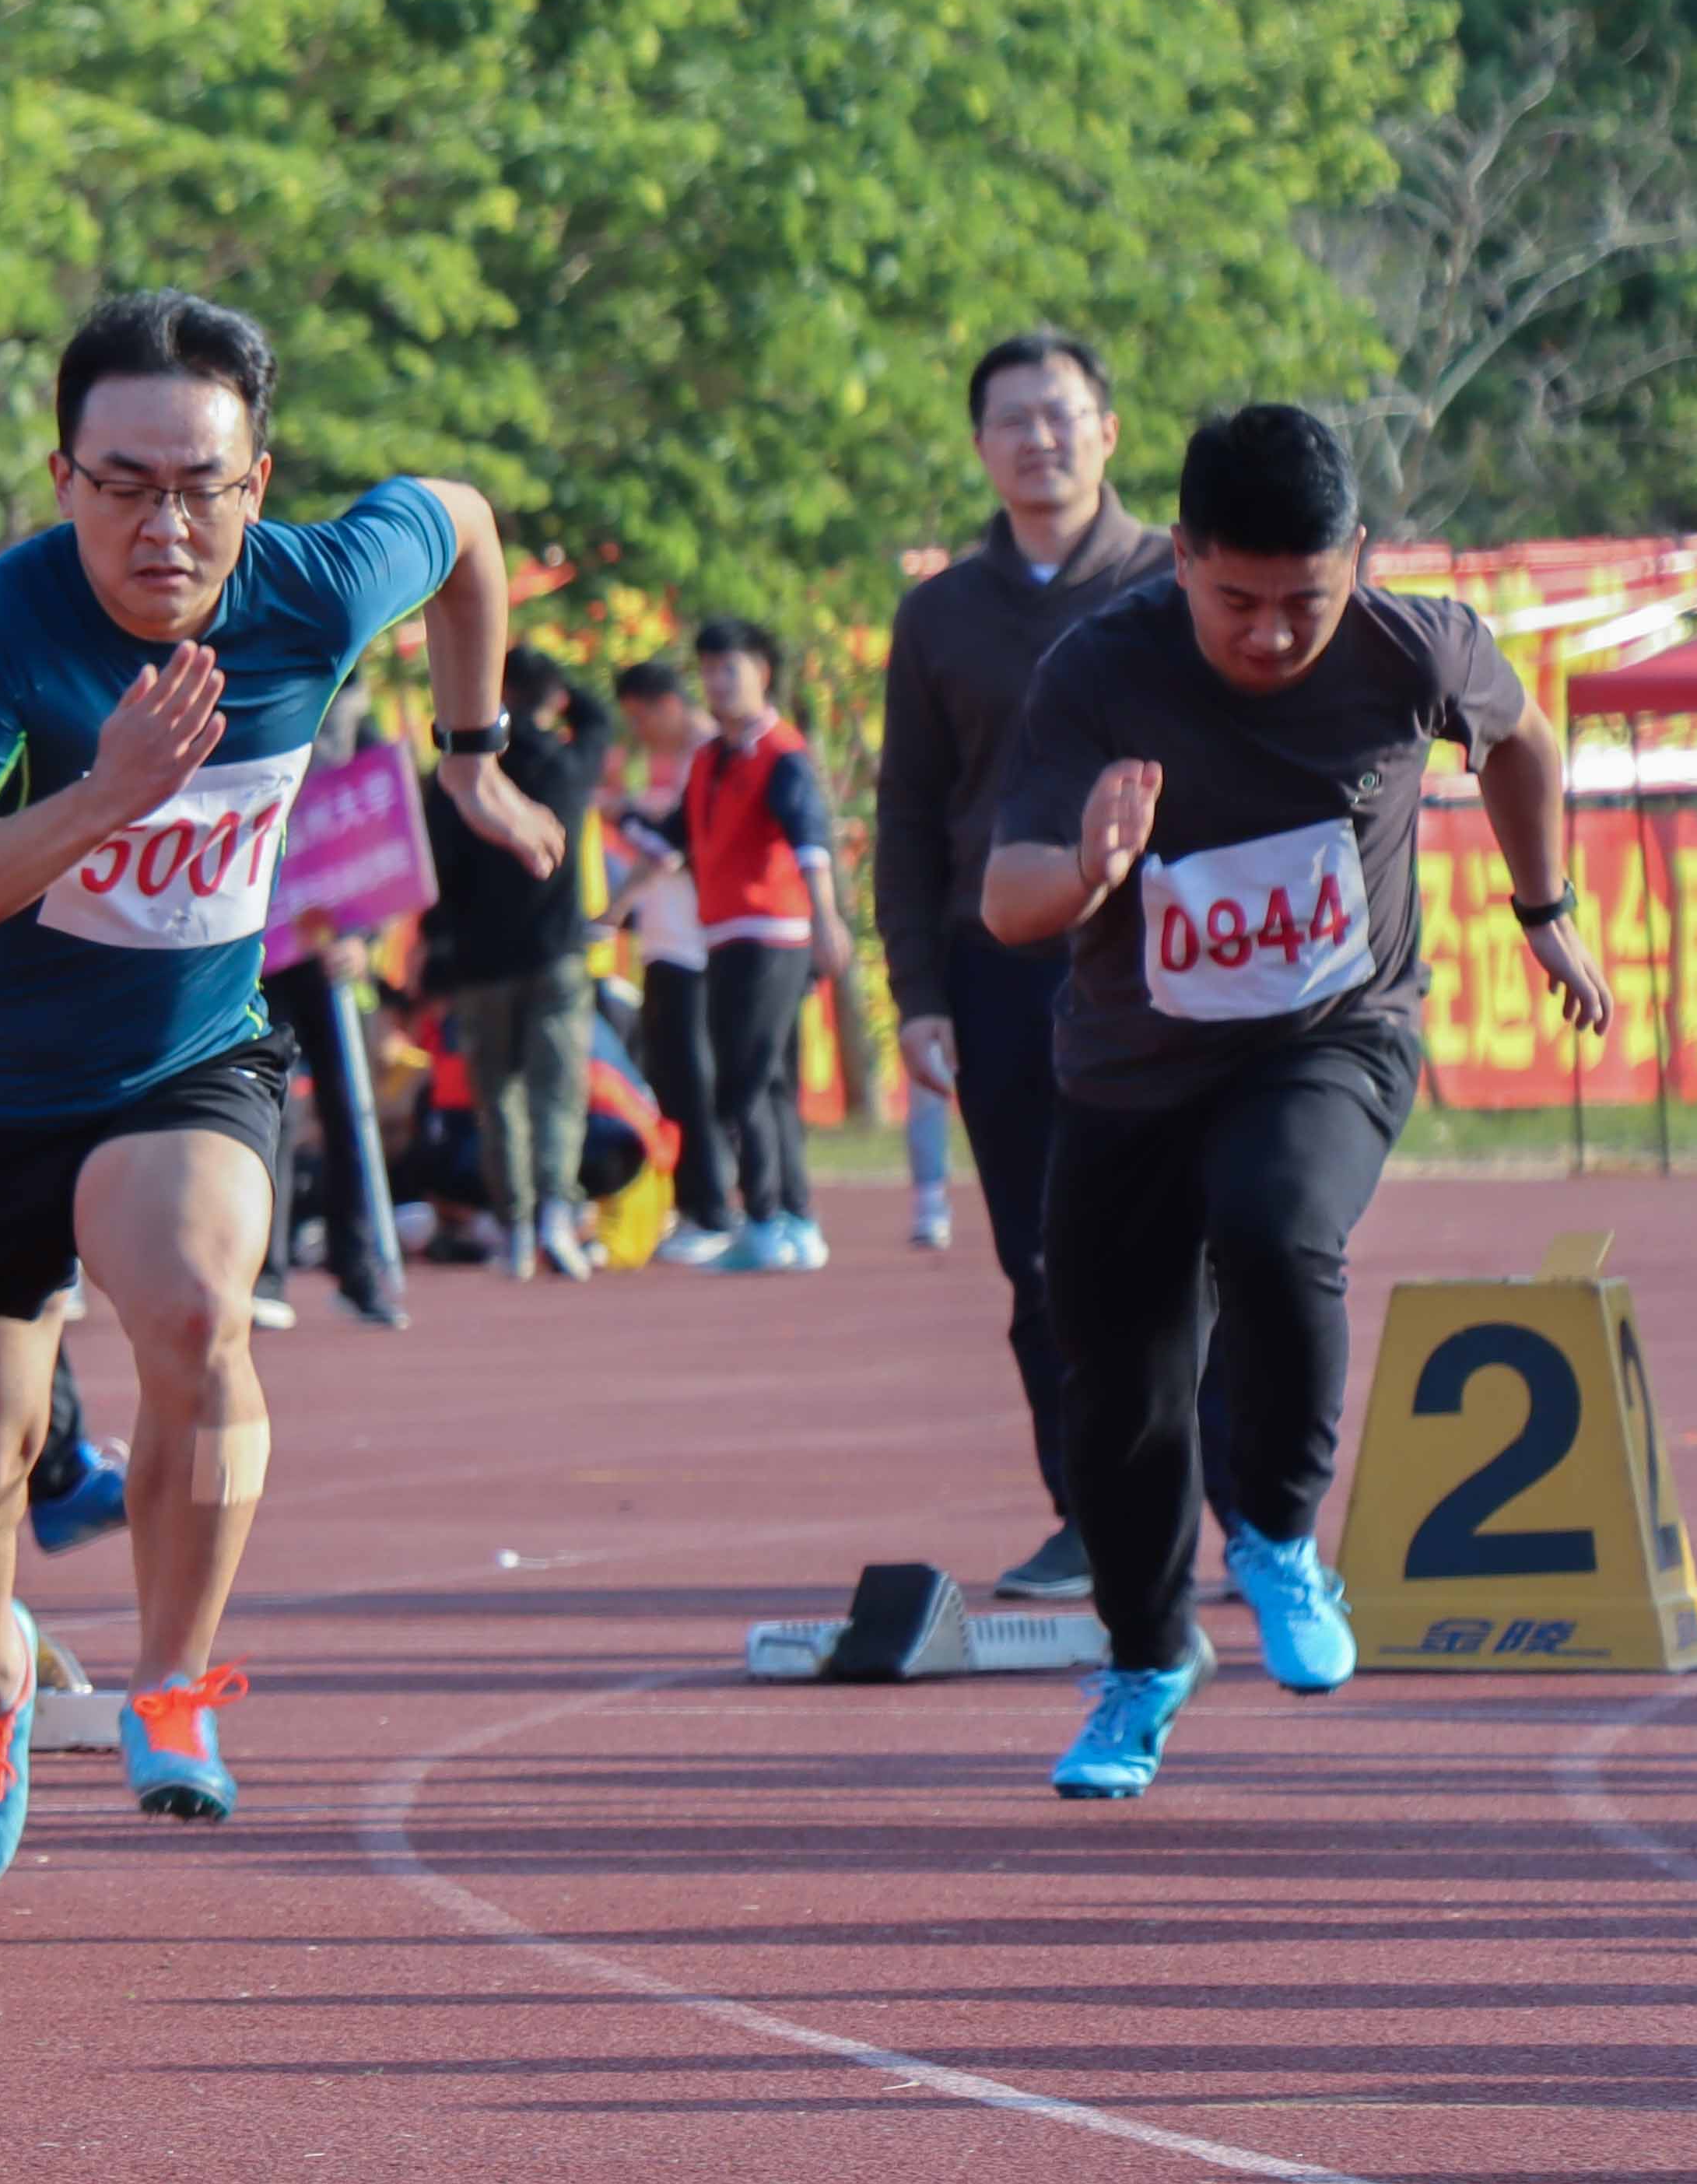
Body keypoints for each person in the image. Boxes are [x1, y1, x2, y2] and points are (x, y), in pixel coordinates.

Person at [0, 290, 556, 1874]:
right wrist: (110, 795)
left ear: (257, 479)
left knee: (193, 1307)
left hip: (183, 1062)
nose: (164, 526)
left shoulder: (310, 584)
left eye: (202, 486)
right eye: (124, 485)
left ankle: (173, 1683)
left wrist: (471, 746)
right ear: (61, 478)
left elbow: (461, 519)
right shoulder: (4, 632)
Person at [983, 401, 1606, 1797]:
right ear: (1183, 561)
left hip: (1333, 1034)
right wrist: (1089, 864)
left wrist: (1542, 903)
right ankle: (1145, 1665)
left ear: (1359, 561)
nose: (1270, 635)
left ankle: (1274, 1527)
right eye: (1237, 602)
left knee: (1277, 1223)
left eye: (1303, 602)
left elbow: (1521, 744)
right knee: (1120, 1406)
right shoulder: (1100, 669)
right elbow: (1006, 900)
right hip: (1134, 1074)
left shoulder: (1412, 646)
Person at [878, 328, 1175, 1598]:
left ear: (1110, 429)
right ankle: (1093, 1514)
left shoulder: (1180, 582)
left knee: (1198, 1240)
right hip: (1001, 969)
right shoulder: (940, 612)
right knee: (1045, 1259)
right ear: (981, 446)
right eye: (1013, 419)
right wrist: (918, 995)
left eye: (1062, 413)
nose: (1040, 438)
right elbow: (907, 812)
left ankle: (1244, 1507)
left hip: (1172, 958)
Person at [421, 650, 608, 1278]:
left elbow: (436, 875)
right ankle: (557, 1209)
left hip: (479, 960)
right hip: (557, 954)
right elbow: (599, 716)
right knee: (558, 1090)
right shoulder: (567, 763)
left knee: (496, 1095)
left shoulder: (453, 779)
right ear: (549, 698)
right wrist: (562, 687)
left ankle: (516, 1224)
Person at [677, 615, 849, 1273]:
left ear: (761, 674)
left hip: (772, 933)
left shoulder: (782, 753)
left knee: (744, 1081)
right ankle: (795, 1220)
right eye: (709, 670)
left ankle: (766, 1216)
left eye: (731, 669)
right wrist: (614, 910)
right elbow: (673, 838)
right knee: (768, 1080)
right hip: (725, 934)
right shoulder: (708, 758)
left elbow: (811, 838)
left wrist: (827, 921)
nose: (717, 683)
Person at [600, 657, 711, 1254]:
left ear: (667, 704)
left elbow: (673, 849)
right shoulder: (670, 762)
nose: (638, 733)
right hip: (665, 941)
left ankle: (712, 1207)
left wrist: (626, 821)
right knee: (671, 1076)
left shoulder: (710, 755)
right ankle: (695, 1205)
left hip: (700, 942)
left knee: (696, 1079)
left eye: (640, 718)